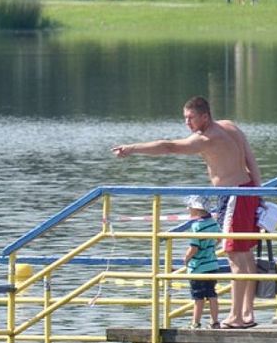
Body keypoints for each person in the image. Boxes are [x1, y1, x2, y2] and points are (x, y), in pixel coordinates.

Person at [111, 96, 263, 328]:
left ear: (205, 116)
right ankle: (246, 313)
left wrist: (132, 149)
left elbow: (168, 146)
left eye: (191, 118)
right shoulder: (230, 126)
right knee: (246, 254)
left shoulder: (206, 138)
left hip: (233, 195)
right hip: (248, 190)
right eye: (185, 118)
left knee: (235, 255)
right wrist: (257, 194)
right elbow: (251, 161)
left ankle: (236, 317)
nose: (187, 123)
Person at [183, 194, 221, 329]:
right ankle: (215, 321)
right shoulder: (213, 223)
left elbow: (194, 248)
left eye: (189, 207)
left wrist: (186, 258)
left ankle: (196, 322)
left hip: (198, 266)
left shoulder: (196, 226)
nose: (188, 209)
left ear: (196, 209)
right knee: (212, 294)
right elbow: (219, 239)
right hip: (212, 264)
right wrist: (210, 248)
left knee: (198, 297)